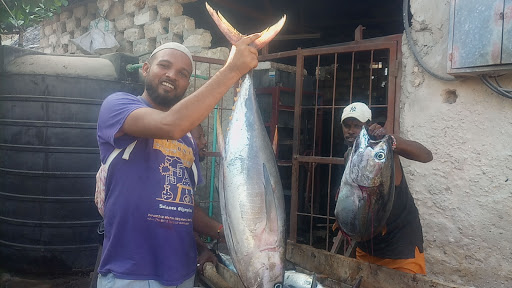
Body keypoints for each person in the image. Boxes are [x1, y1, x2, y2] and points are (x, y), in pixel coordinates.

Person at [94, 35, 260, 288]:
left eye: (183, 73)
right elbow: (170, 124)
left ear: (187, 83)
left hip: (182, 274)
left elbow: (182, 207)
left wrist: (219, 237)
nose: (172, 75)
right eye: (164, 66)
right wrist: (233, 69)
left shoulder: (187, 140)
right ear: (146, 69)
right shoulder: (118, 106)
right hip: (131, 273)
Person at [340, 102, 433, 275]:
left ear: (368, 126)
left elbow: (426, 155)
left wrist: (392, 140)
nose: (351, 130)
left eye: (357, 126)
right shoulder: (349, 157)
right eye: (347, 125)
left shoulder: (384, 151)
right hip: (367, 250)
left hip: (400, 252)